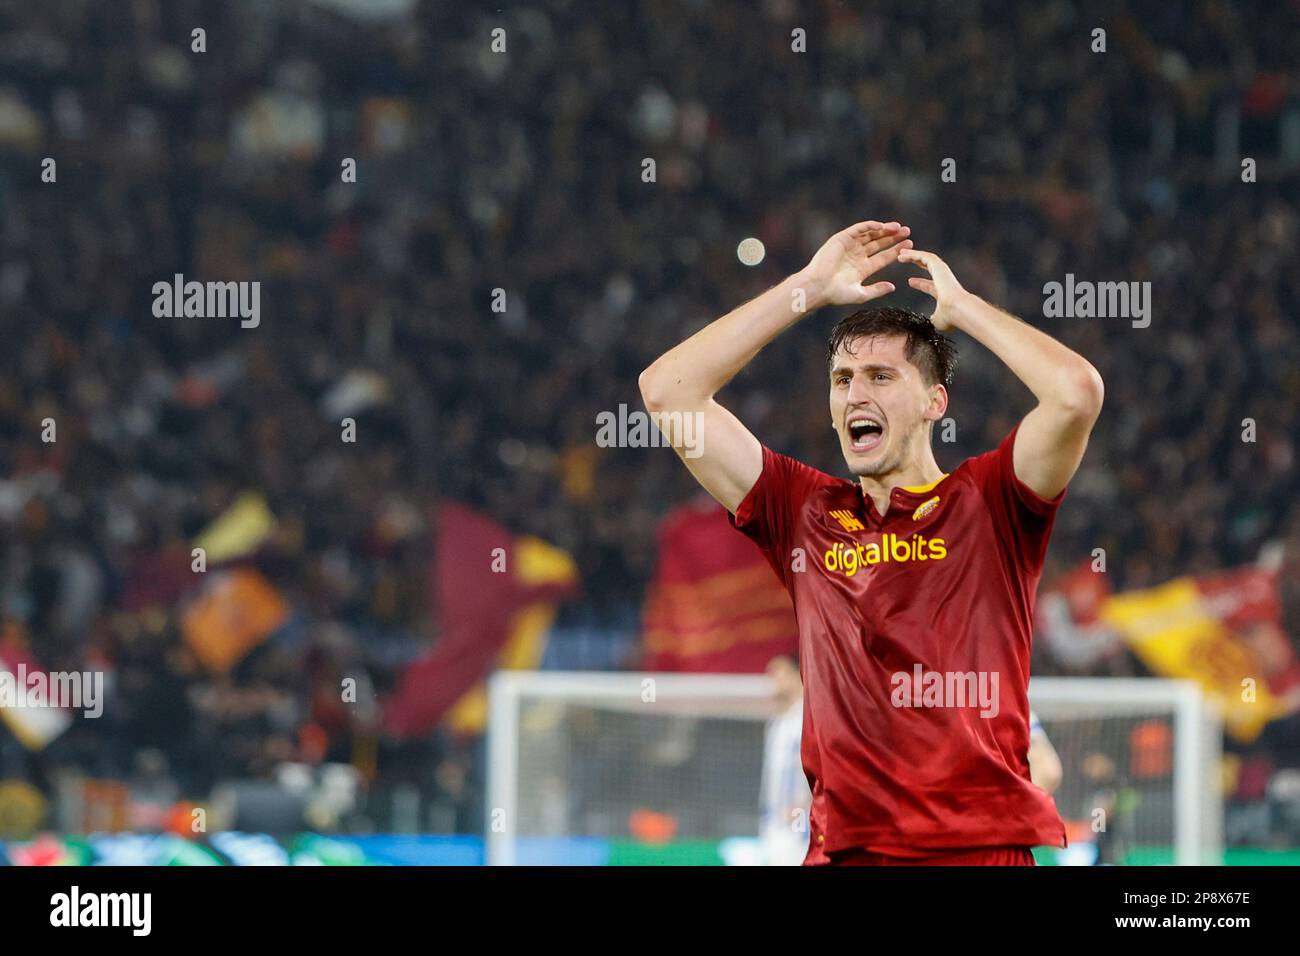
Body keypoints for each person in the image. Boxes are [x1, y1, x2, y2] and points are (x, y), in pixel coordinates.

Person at [638, 220, 1103, 865]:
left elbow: (1075, 396)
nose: (857, 393)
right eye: (843, 380)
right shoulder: (804, 513)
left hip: (978, 854)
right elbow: (667, 393)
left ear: (935, 402)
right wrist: (806, 288)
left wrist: (964, 310)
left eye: (882, 377)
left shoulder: (989, 502)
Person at [759, 654, 812, 865]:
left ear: (794, 675)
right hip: (774, 823)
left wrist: (802, 806)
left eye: (777, 673)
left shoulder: (809, 718)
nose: (772, 680)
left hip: (800, 825)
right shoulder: (777, 723)